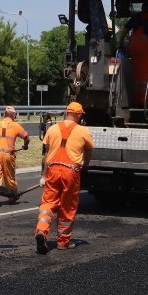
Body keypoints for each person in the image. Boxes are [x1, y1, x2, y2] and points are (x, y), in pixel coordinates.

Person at [34, 102, 94, 254]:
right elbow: (88, 151)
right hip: (71, 172)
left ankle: (41, 231)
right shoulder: (83, 131)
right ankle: (63, 242)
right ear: (79, 115)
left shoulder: (52, 129)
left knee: (48, 204)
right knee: (67, 207)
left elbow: (46, 155)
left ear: (66, 113)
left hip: (53, 170)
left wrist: (43, 176)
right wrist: (85, 166)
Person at [116, 1, 148, 107]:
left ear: (142, 8)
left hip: (134, 48)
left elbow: (124, 30)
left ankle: (135, 99)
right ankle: (147, 100)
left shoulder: (136, 17)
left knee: (136, 73)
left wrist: (120, 44)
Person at [0, 106, 30, 207]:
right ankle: (12, 197)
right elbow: (26, 137)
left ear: (4, 115)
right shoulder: (15, 126)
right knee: (9, 177)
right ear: (13, 116)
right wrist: (25, 145)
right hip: (8, 155)